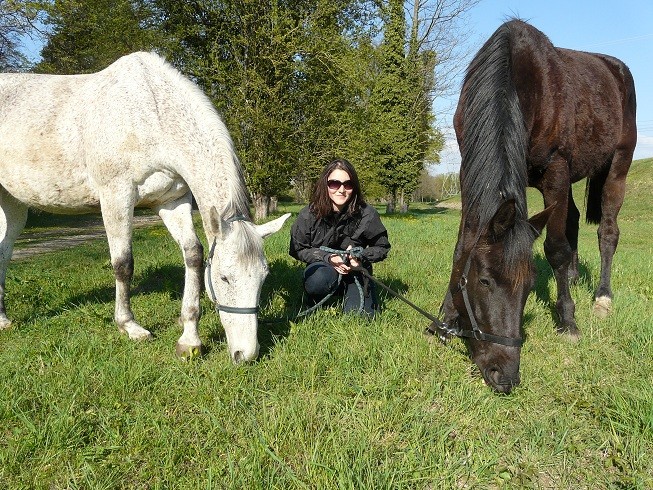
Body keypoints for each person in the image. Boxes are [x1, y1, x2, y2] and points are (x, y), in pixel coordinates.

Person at [289, 158, 390, 316]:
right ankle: (318, 295)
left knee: (361, 317)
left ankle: (352, 292)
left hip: (355, 270)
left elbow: (382, 247)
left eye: (348, 184)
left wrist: (361, 256)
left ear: (354, 187)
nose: (341, 190)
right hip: (323, 267)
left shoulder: (367, 214)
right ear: (325, 185)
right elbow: (298, 249)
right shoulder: (308, 214)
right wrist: (328, 257)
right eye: (335, 184)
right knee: (317, 281)